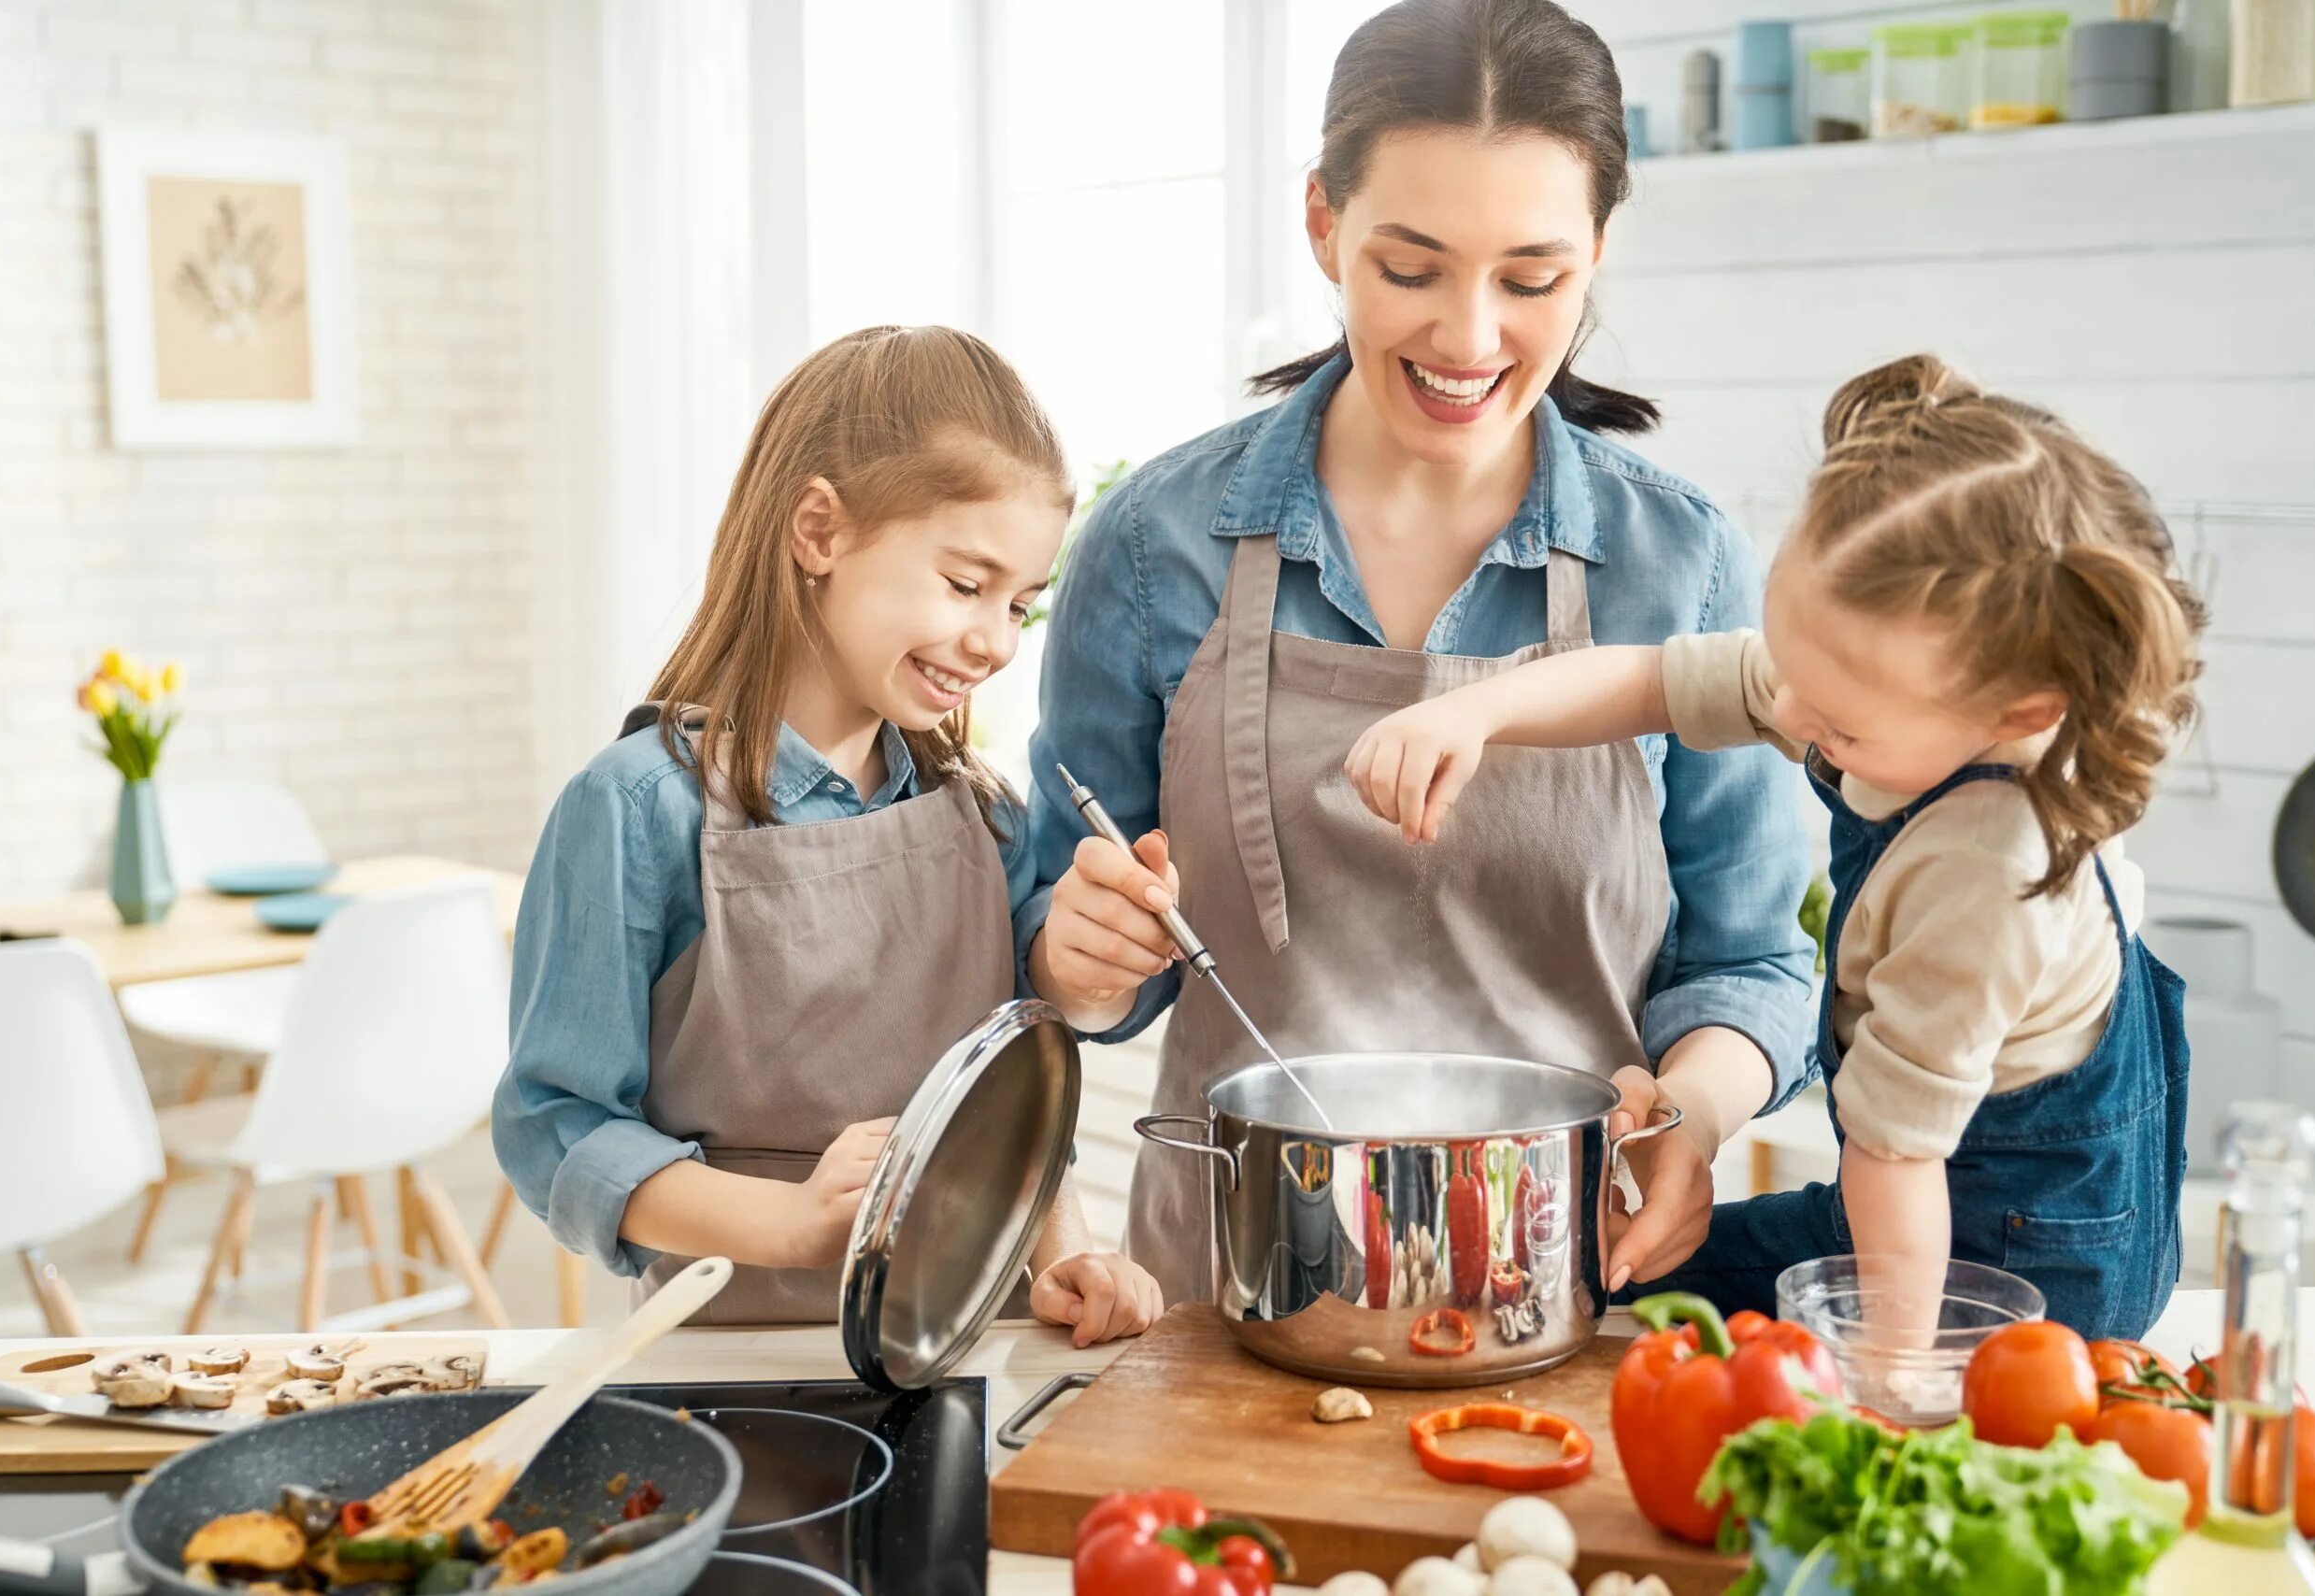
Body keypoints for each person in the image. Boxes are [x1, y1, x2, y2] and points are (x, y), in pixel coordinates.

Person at [1022, 0, 1816, 1307]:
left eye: (1531, 278)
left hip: (1565, 1283)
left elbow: (1758, 962)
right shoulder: (1154, 546)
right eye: (1412, 268)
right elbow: (1058, 956)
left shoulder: (1686, 565)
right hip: (1228, 1296)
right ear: (1324, 221)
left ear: (1600, 253)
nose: (1467, 336)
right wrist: (1075, 947)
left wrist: (1698, 1111)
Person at [1347, 353, 2201, 1337]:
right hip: (1901, 1214)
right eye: (1787, 665)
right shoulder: (1906, 694)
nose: (1788, 712)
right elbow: (1655, 683)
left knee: (1622, 1296)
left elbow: (1895, 1162)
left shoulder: (1987, 876)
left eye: (1832, 720)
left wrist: (1887, 1386)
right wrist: (1473, 713)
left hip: (2007, 1277)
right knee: (1599, 1272)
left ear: (2019, 709)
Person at [495, 325, 1164, 1340]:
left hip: (961, 1357)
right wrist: (793, 1219)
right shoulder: (635, 809)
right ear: (819, 531)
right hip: (726, 1373)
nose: (993, 640)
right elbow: (556, 1128)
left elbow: (1016, 1107)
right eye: (963, 583)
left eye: (1020, 606)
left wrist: (1063, 1251)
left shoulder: (982, 818)